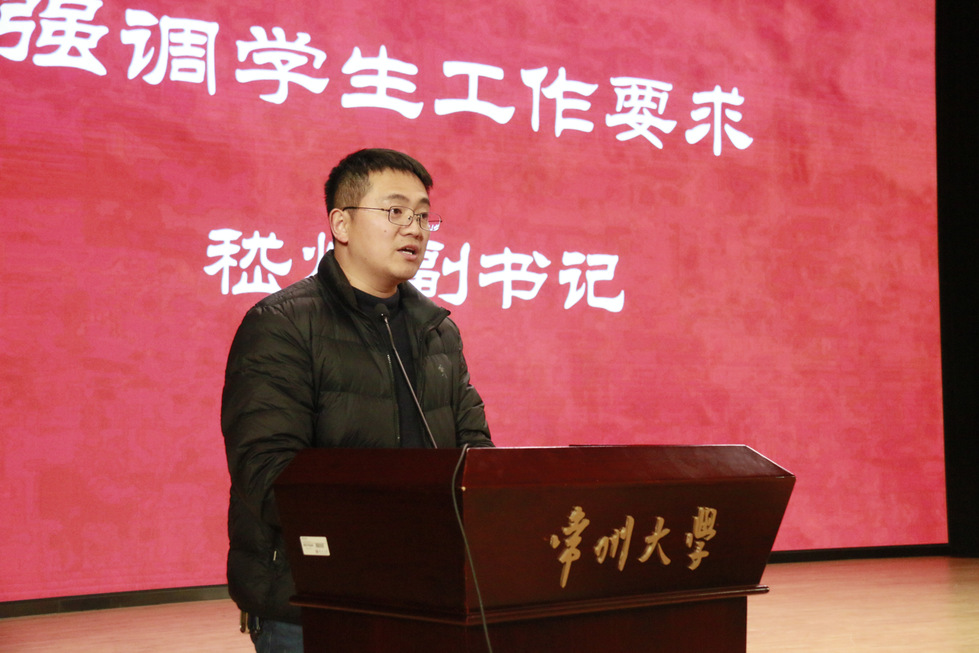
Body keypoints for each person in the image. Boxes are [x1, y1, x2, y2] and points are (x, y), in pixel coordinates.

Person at [221, 148, 494, 653]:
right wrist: (388, 528)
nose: (414, 228)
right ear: (341, 224)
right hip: (312, 603)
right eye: (395, 211)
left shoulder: (438, 332)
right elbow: (266, 472)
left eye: (422, 215)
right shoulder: (282, 326)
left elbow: (475, 453)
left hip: (423, 596)